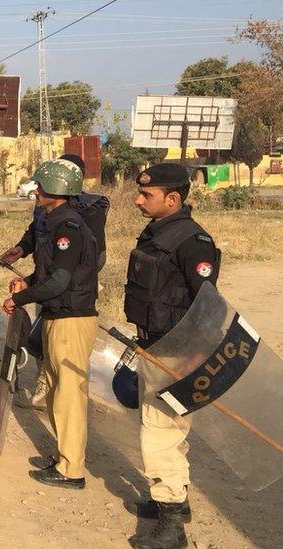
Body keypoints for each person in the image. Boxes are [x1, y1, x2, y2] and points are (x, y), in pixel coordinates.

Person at [123, 163, 221, 549]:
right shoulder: (159, 232)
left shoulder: (193, 242)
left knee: (161, 433)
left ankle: (172, 523)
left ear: (173, 199)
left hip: (177, 352)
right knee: (168, 431)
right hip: (154, 345)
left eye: (146, 195)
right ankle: (174, 501)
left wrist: (192, 358)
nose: (138, 199)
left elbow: (208, 305)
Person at [1, 159, 98, 490]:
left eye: (41, 187)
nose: (36, 191)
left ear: (55, 191)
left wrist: (20, 300)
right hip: (59, 314)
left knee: (69, 393)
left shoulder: (68, 228)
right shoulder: (53, 222)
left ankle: (72, 469)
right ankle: (63, 456)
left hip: (72, 317)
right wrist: (28, 283)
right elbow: (48, 275)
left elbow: (59, 281)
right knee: (58, 389)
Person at [1, 153, 109, 410]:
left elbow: (90, 257)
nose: (37, 191)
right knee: (45, 343)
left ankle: (62, 394)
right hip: (48, 284)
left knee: (69, 366)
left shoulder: (82, 215)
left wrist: (71, 282)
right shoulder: (49, 209)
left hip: (70, 294)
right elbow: (35, 231)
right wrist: (23, 253)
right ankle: (46, 386)